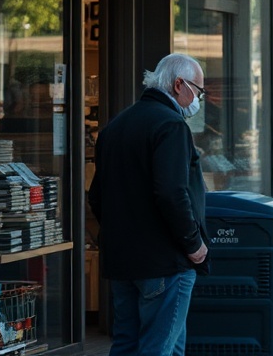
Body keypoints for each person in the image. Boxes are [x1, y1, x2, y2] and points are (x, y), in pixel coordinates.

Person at [88, 54, 209, 356]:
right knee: (159, 347)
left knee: (127, 344)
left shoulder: (115, 127)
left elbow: (97, 196)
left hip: (123, 260)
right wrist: (194, 245)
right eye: (198, 90)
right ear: (179, 84)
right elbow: (172, 193)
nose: (199, 99)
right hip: (165, 261)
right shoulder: (171, 125)